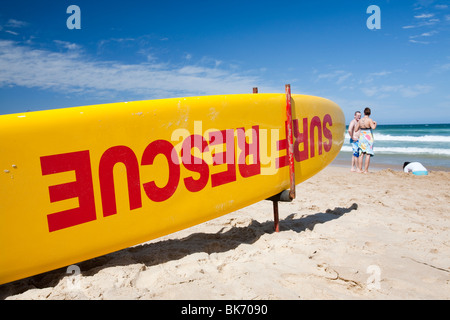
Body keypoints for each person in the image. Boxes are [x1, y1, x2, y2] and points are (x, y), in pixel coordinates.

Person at [355, 107, 377, 173]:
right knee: (368, 153)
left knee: (361, 153)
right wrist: (375, 123)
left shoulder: (360, 120)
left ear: (364, 113)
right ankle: (366, 170)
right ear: (369, 113)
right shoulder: (370, 120)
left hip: (362, 136)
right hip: (368, 137)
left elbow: (356, 130)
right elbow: (373, 128)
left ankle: (360, 169)